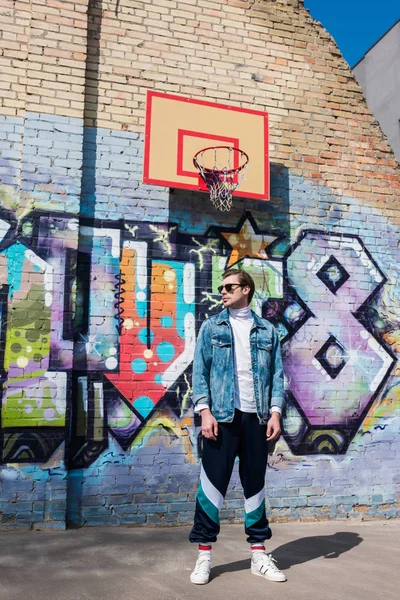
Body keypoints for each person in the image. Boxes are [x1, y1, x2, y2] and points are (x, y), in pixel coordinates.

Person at [189, 268, 286, 585]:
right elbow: (199, 373)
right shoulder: (211, 326)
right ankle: (204, 557)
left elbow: (276, 377)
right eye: (221, 287)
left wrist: (274, 413)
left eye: (229, 286)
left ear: (246, 289)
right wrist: (204, 411)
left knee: (255, 485)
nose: (223, 291)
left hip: (256, 419)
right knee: (211, 486)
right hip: (221, 417)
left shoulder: (267, 332)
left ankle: (259, 554)